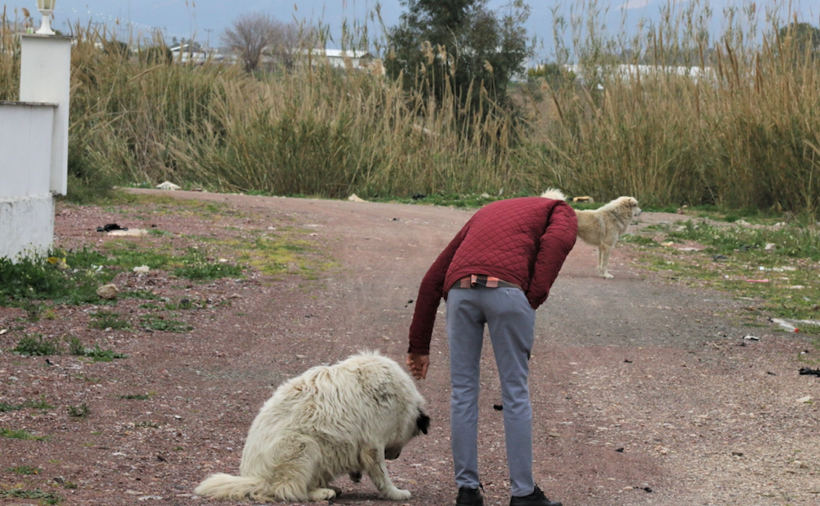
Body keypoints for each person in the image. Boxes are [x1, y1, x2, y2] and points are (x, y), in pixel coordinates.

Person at [406, 195, 577, 506]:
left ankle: (467, 492)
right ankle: (523, 494)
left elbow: (433, 277)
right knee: (514, 391)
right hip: (508, 292)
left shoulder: (489, 210)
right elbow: (557, 244)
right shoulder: (560, 209)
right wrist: (531, 298)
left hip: (460, 292)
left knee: (463, 391)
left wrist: (419, 345)